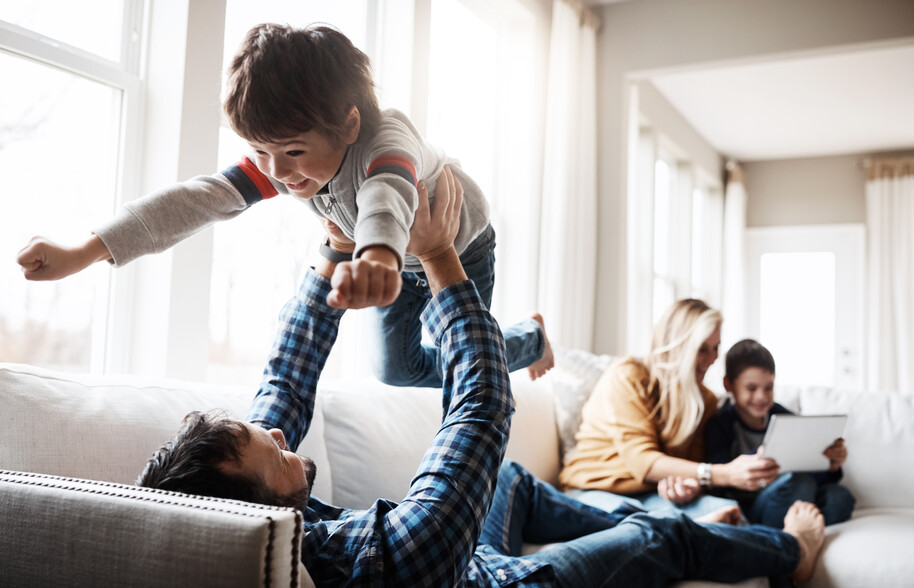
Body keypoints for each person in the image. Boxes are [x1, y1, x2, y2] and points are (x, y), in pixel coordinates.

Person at [138, 178, 825, 587]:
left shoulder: (261, 518)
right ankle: (790, 551)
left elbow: (285, 378)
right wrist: (440, 257)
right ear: (266, 507)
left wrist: (332, 253)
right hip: (501, 583)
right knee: (657, 543)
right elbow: (480, 409)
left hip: (473, 554)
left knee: (514, 483)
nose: (282, 432)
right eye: (273, 451)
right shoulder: (387, 557)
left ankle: (683, 518)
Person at [15, 22, 553, 387]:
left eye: (292, 151)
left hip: (454, 244)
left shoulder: (387, 140)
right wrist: (84, 251)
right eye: (260, 152)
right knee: (394, 371)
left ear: (349, 123)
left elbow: (386, 196)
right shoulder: (289, 162)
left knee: (467, 368)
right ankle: (528, 338)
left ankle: (528, 341)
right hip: (378, 258)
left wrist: (380, 258)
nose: (276, 172)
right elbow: (198, 199)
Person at [559, 298, 781, 520]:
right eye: (702, 348)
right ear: (677, 346)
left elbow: (694, 465)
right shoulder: (628, 376)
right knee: (646, 524)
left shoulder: (706, 400)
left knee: (731, 514)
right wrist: (724, 474)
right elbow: (643, 461)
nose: (712, 358)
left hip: (654, 495)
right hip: (596, 490)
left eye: (716, 348)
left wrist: (691, 485)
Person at [705, 338, 856, 528]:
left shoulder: (785, 418)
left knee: (840, 497)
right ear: (729, 385)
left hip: (795, 493)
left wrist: (830, 465)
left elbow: (812, 474)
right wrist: (760, 457)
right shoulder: (720, 424)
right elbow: (720, 482)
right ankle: (779, 532)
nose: (761, 396)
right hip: (753, 503)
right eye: (751, 388)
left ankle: (795, 523)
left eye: (768, 387)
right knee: (799, 484)